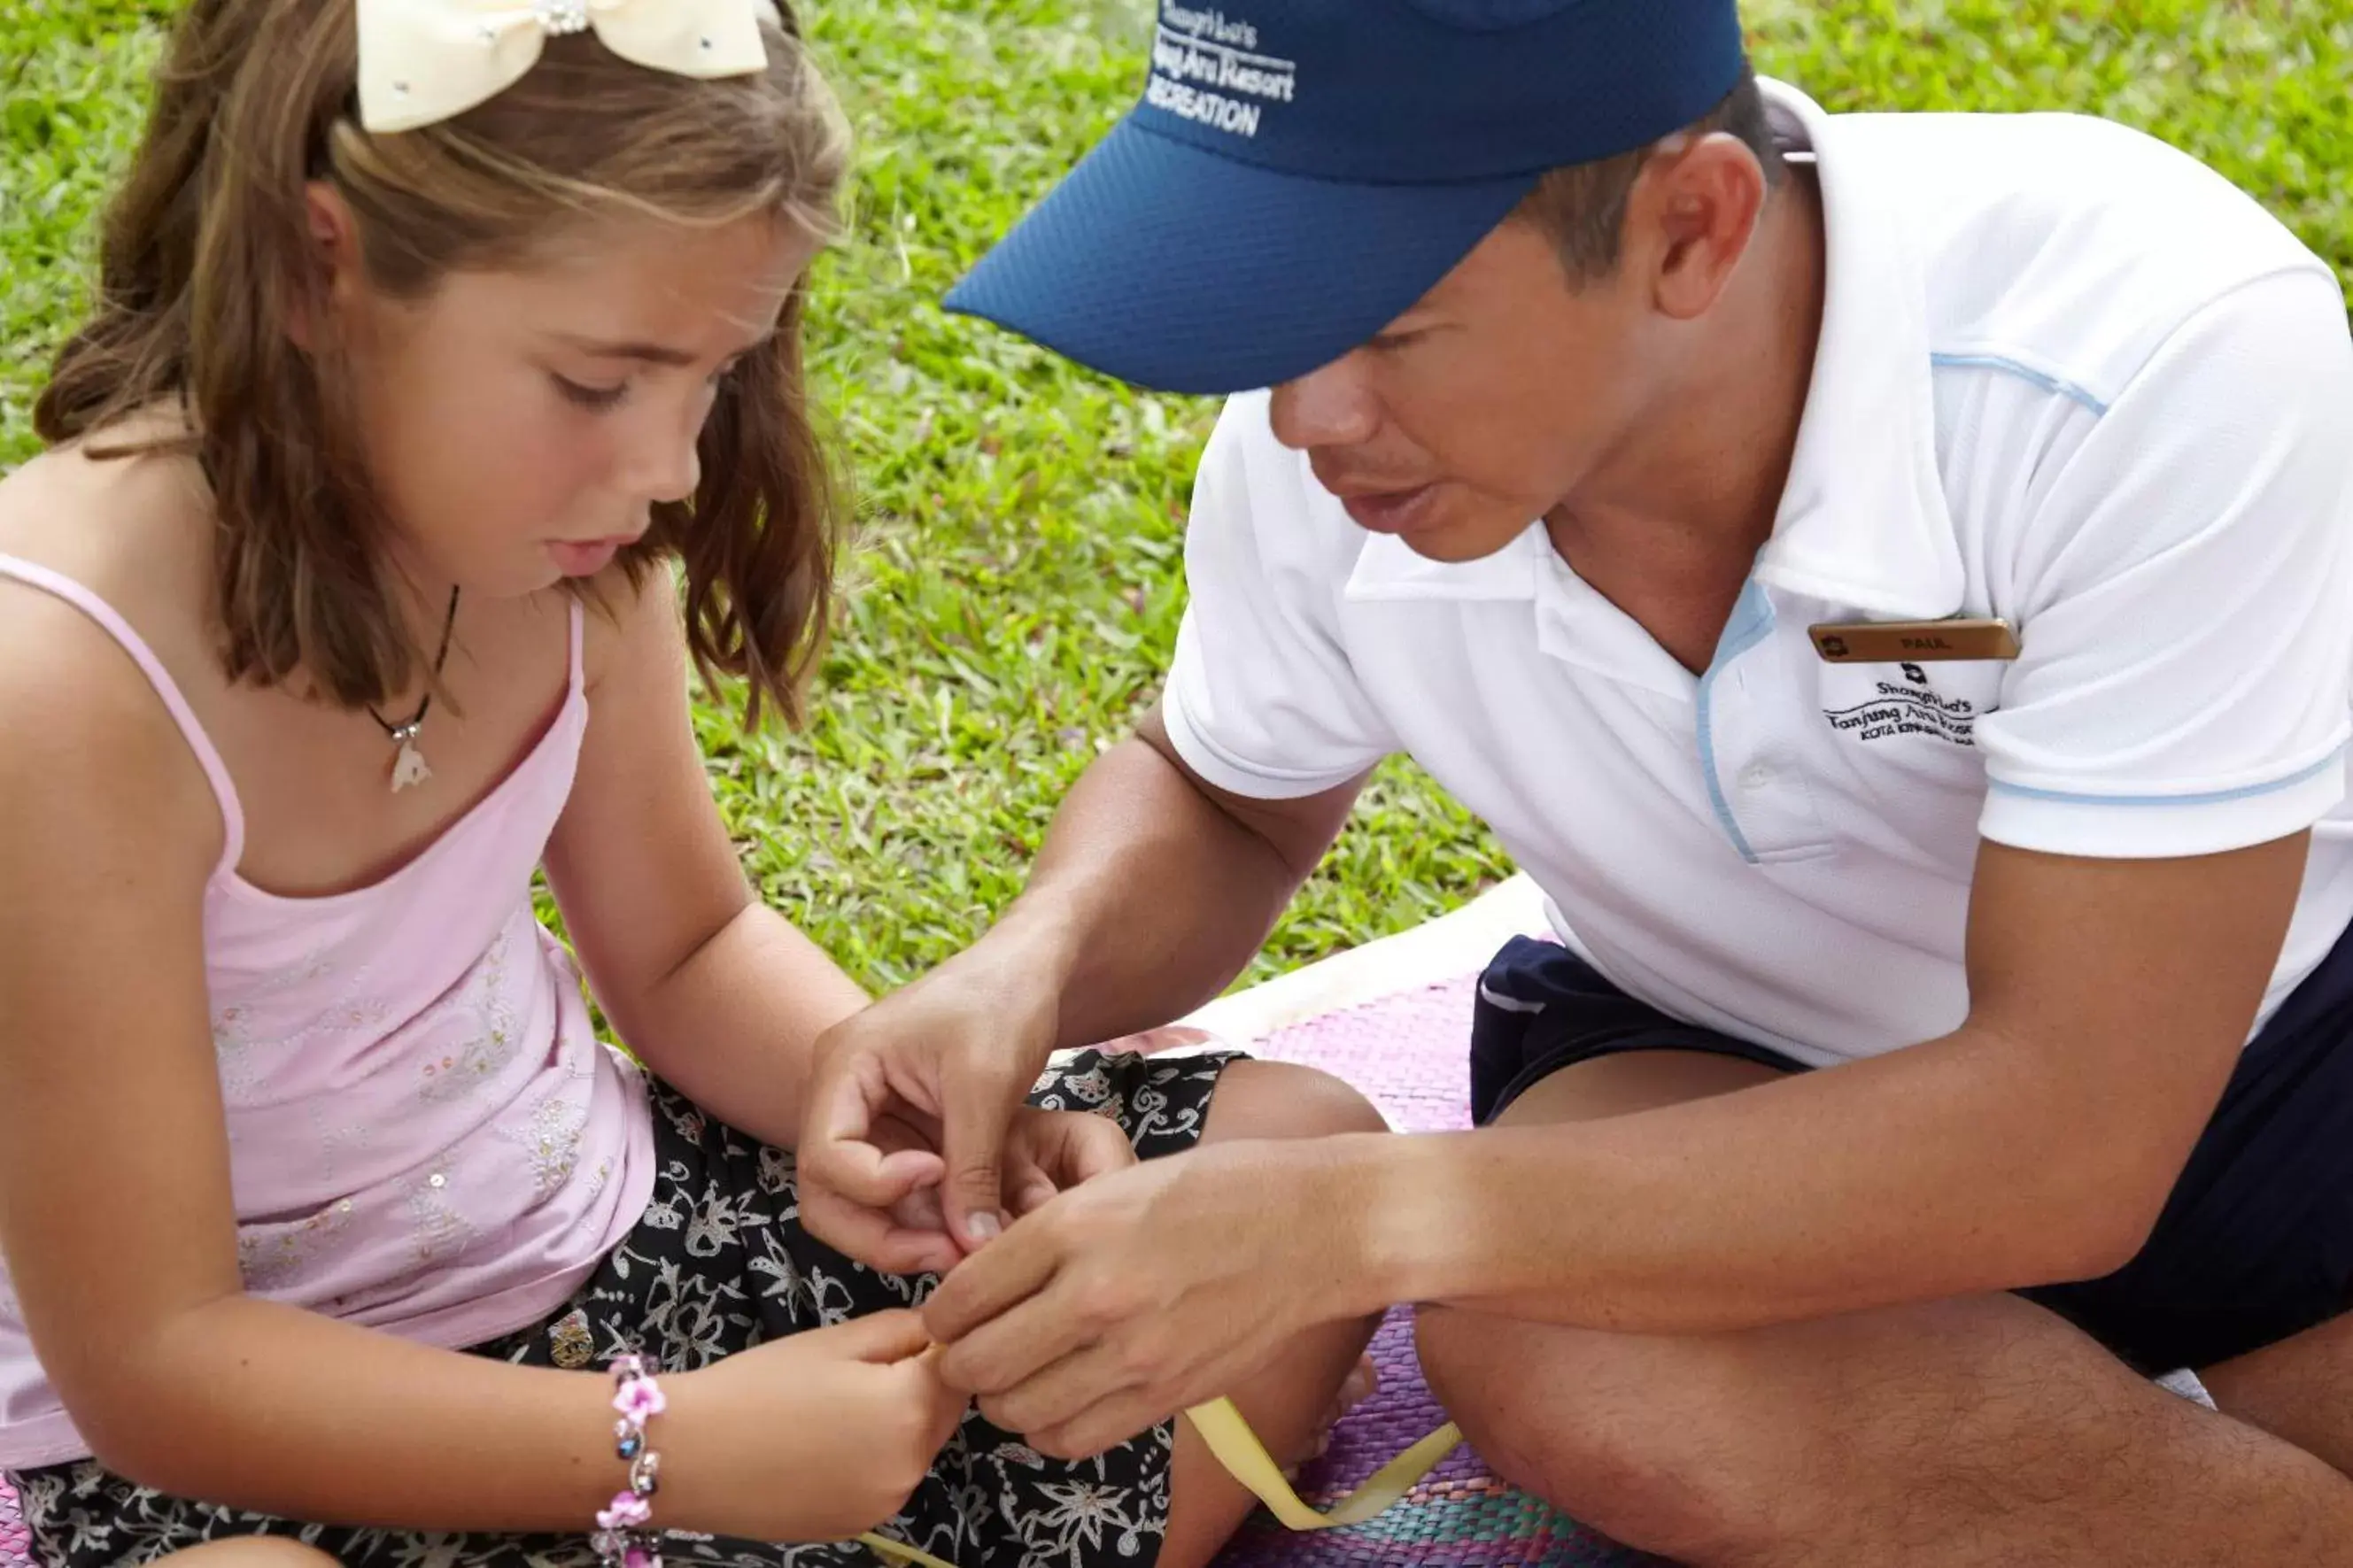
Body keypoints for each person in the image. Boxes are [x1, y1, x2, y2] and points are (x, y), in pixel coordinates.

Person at [799, 0, 2353, 1561]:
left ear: (1693, 226)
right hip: (1708, 1046)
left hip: (2274, 1051)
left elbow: (2069, 1132)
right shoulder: (1332, 448)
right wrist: (1029, 961)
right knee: (1544, 1342)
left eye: (1389, 323)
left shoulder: (2149, 348)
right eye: (1282, 303)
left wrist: (1346, 1220)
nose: (1302, 415)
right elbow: (1224, 796)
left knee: (1553, 1288)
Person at [0, 2, 1382, 1565]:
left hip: (623, 1250)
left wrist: (938, 1149)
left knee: (1297, 1174)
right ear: (324, 269)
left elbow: (683, 949)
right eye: (600, 383)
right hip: (245, 1439)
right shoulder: (60, 683)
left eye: (714, 379)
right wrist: (673, 1448)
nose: (671, 466)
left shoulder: (561, 544)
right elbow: (157, 1361)